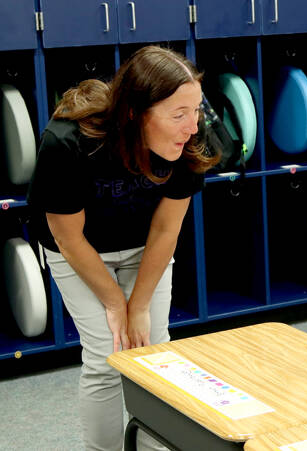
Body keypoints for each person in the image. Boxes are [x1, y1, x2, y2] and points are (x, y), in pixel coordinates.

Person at [27, 46, 218, 450]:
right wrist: (117, 303)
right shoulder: (68, 143)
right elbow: (66, 236)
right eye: (178, 114)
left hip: (143, 246)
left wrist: (140, 304)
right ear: (135, 112)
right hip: (78, 251)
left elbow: (167, 229)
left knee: (153, 350)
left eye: (196, 110)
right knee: (105, 357)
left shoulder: (189, 145)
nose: (192, 127)